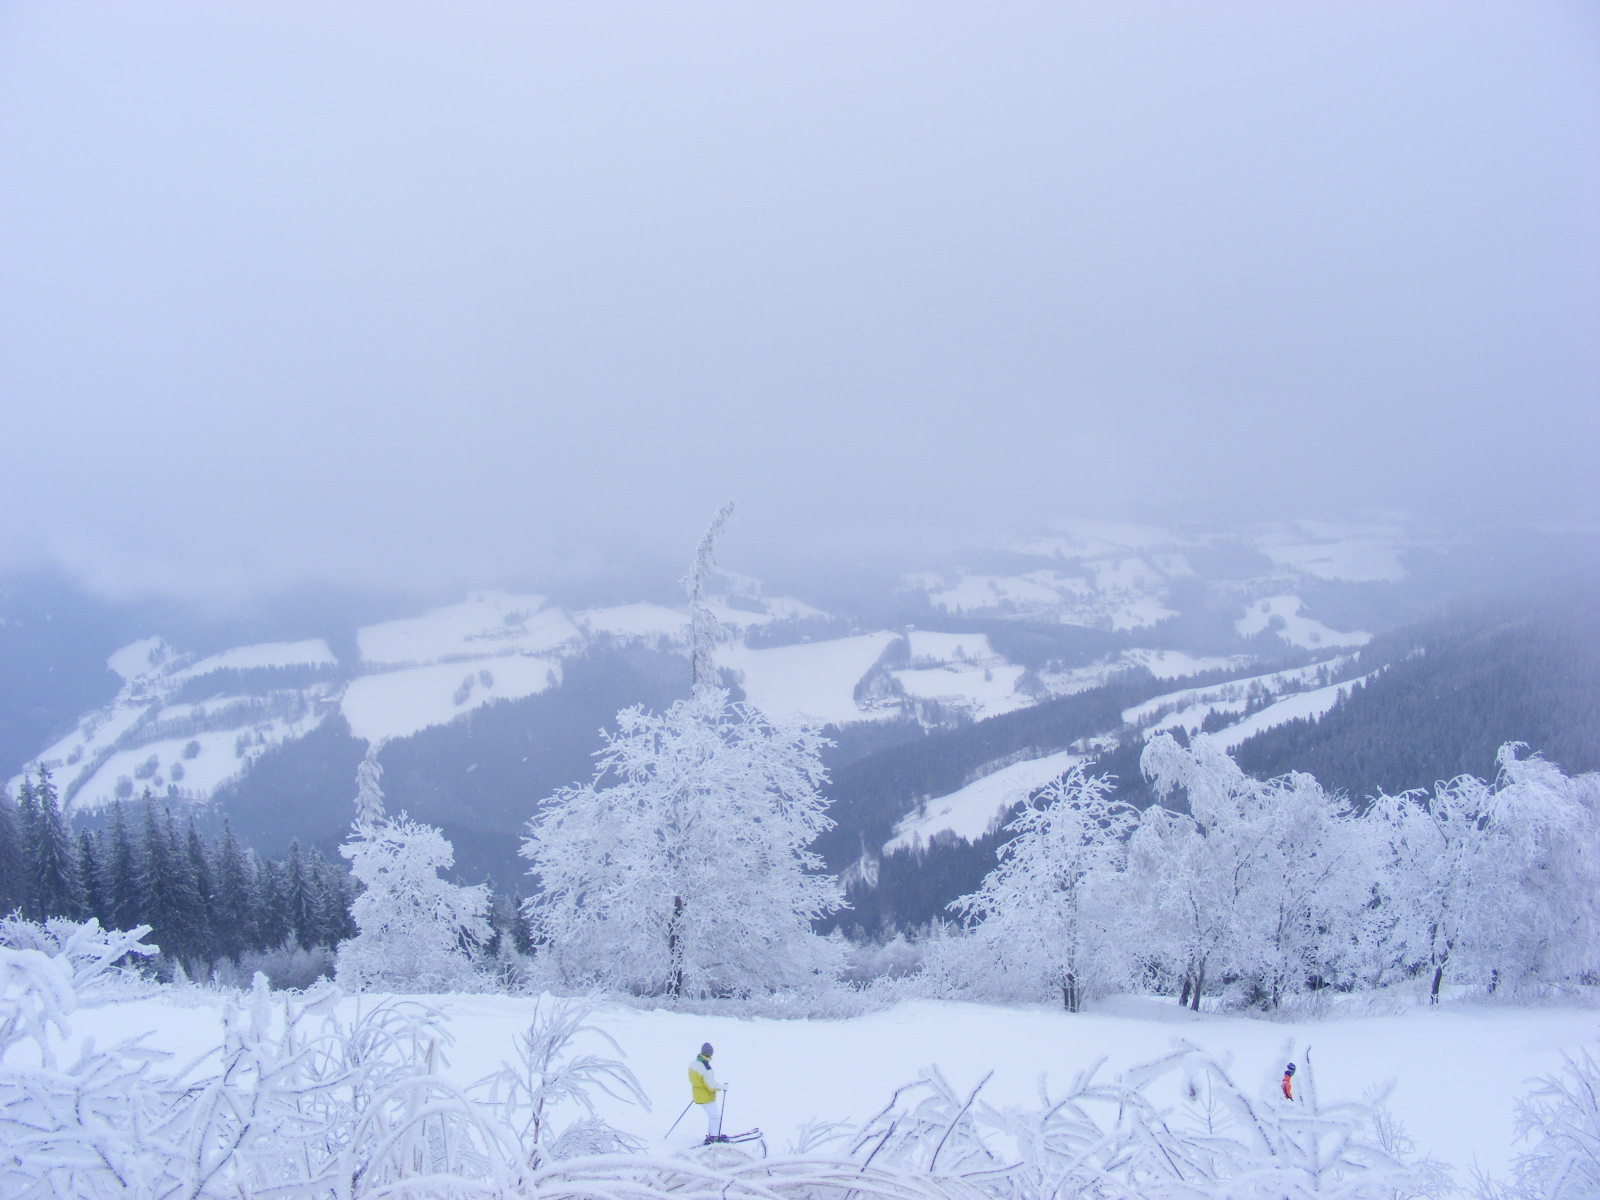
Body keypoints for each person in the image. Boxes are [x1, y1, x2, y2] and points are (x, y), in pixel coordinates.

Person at [688, 1042, 727, 1142]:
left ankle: (712, 1135)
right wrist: (723, 1087)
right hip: (706, 1096)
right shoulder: (706, 1068)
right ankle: (714, 1137)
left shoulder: (693, 1063)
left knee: (712, 1116)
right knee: (715, 1117)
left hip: (697, 1094)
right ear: (709, 1054)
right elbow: (711, 1086)